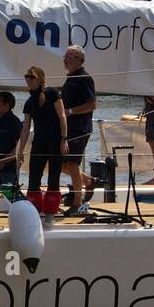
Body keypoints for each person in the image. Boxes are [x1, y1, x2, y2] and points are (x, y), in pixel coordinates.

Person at [15, 65, 69, 217]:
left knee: (54, 178)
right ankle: (35, 211)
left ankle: (50, 211)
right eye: (26, 77)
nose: (28, 80)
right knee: (33, 178)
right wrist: (20, 151)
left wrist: (64, 139)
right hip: (39, 142)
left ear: (39, 78)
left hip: (55, 141)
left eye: (31, 77)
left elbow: (62, 116)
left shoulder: (52, 93)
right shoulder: (29, 101)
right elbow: (26, 128)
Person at [60, 45, 97, 214]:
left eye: (69, 57)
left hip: (80, 128)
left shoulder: (84, 78)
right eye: (65, 57)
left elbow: (92, 104)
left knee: (73, 164)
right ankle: (89, 181)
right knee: (63, 164)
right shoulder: (70, 78)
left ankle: (77, 202)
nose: (65, 60)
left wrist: (70, 111)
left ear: (79, 60)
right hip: (68, 128)